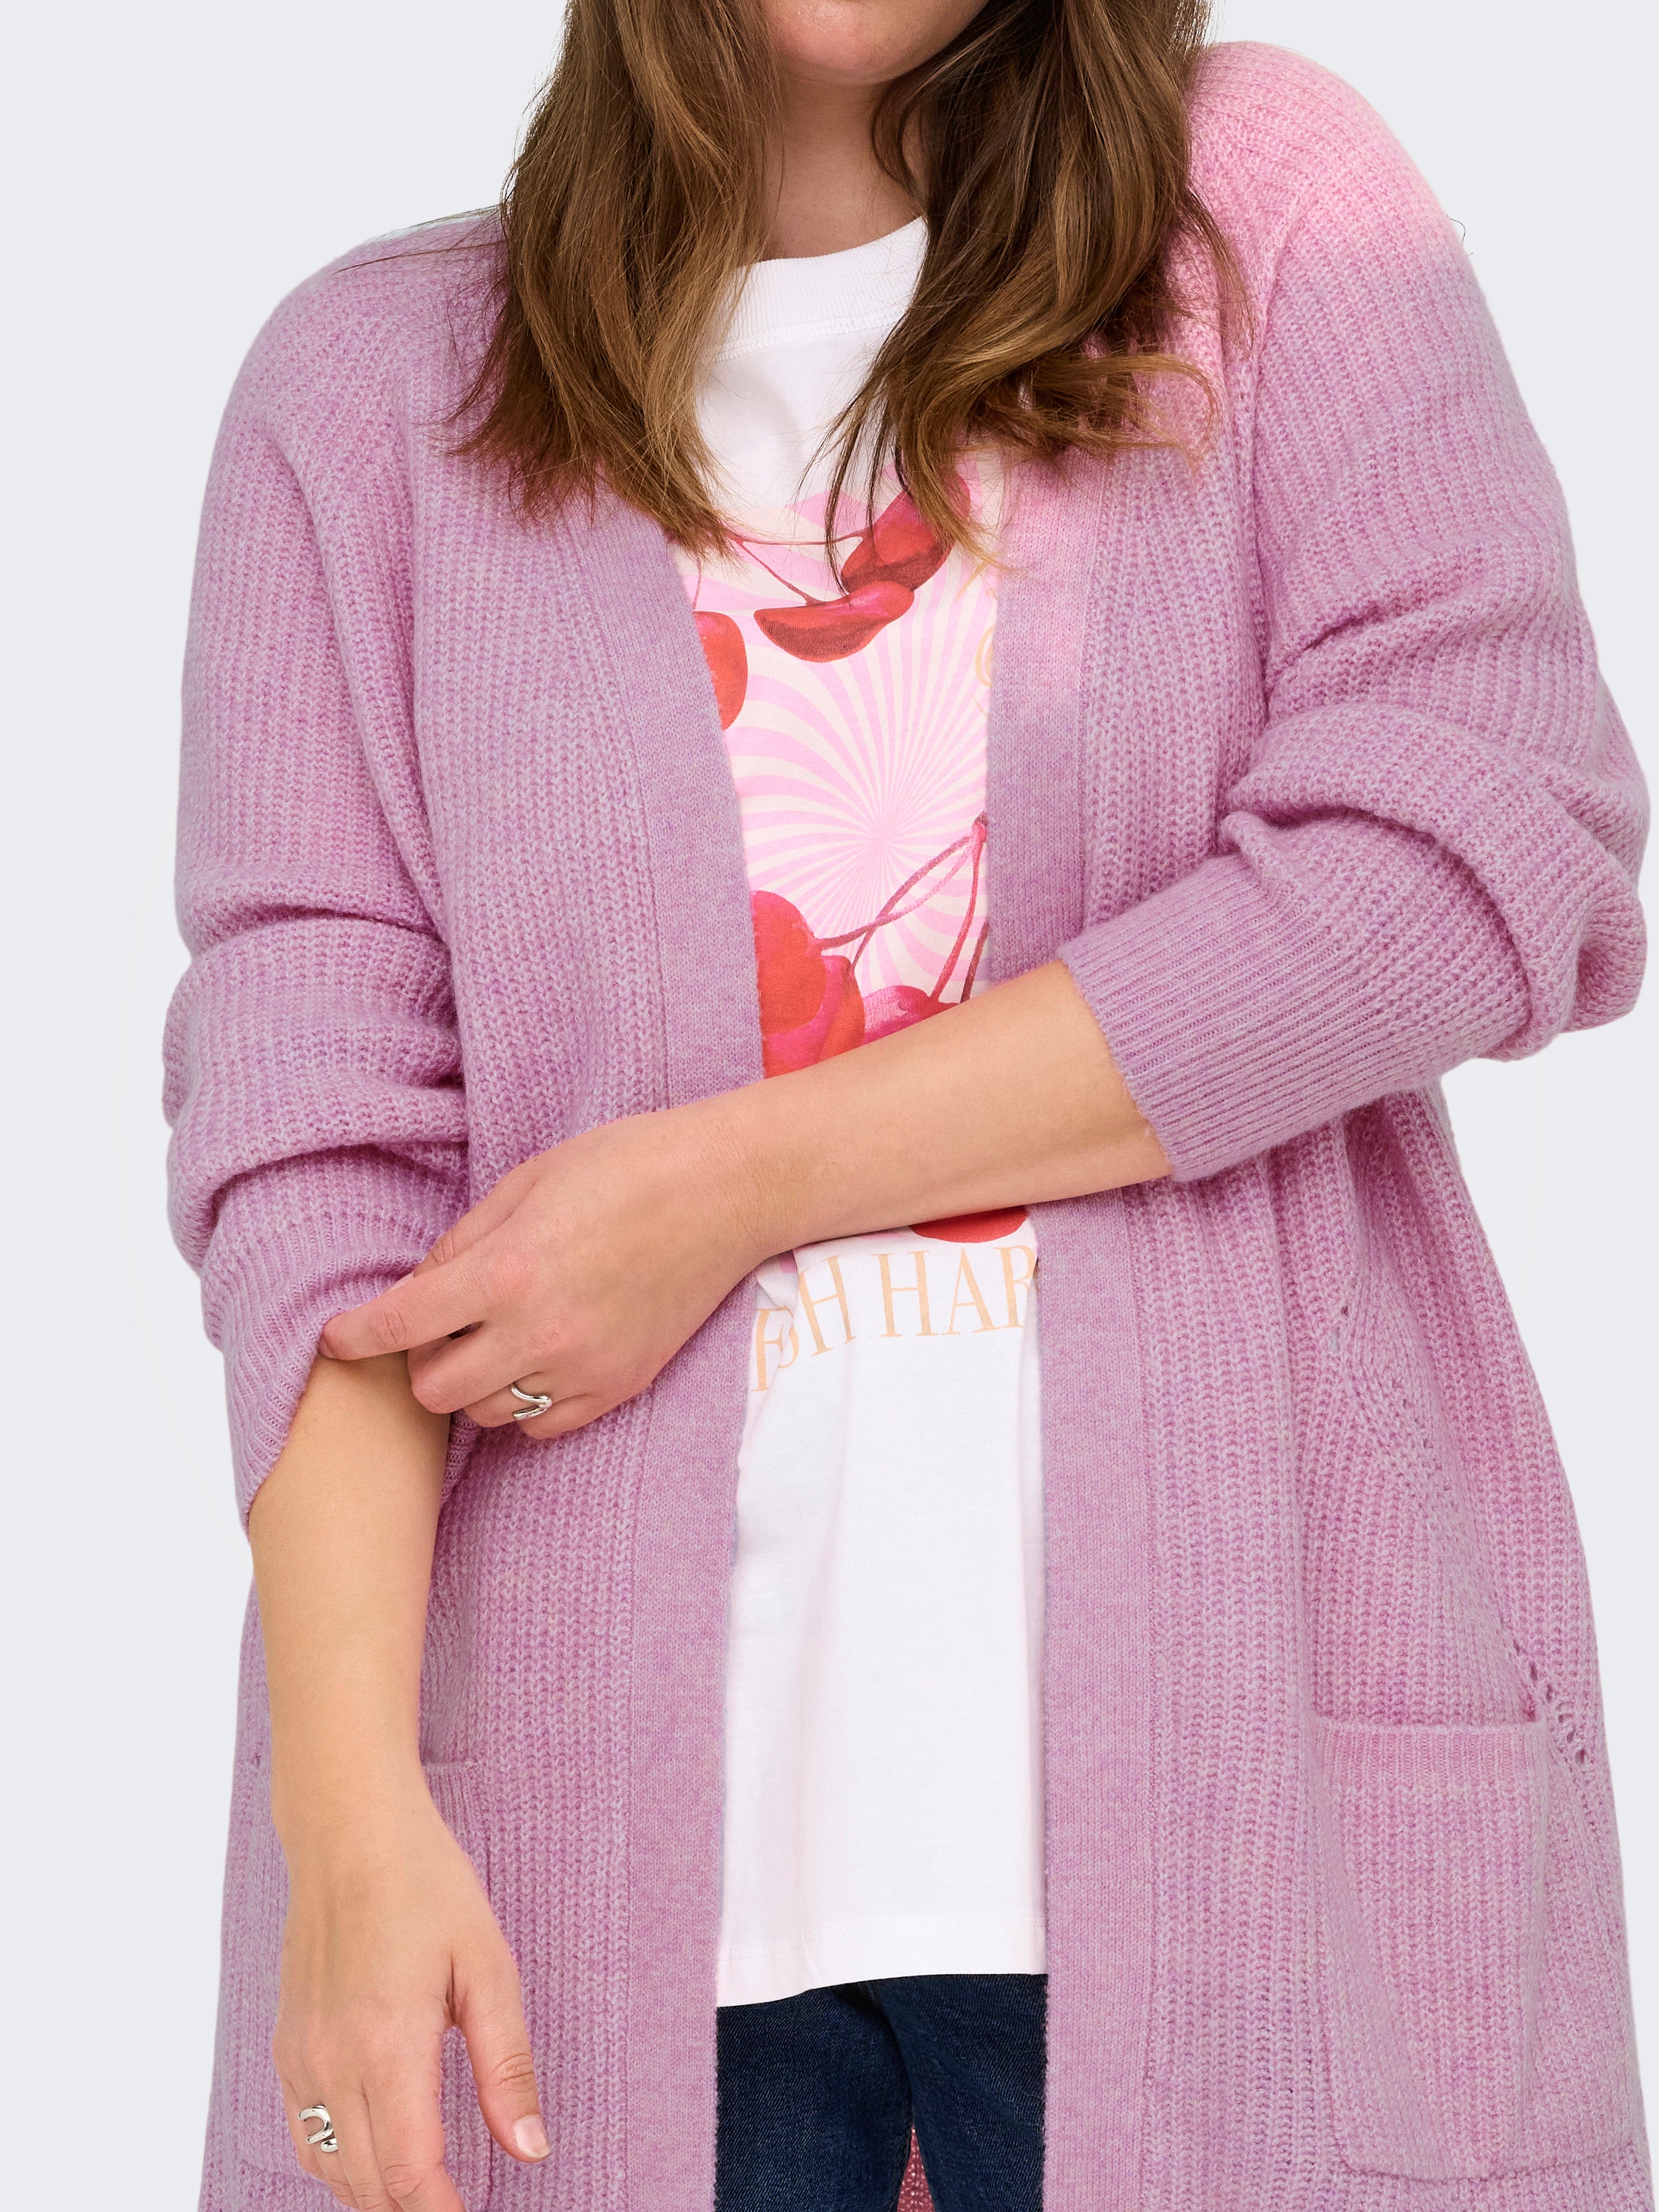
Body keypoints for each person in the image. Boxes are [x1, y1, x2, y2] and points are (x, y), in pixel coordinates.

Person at [166, 1, 1651, 2207]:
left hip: (1238, 1851)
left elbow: (1471, 849)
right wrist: (350, 1827)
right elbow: (316, 1167)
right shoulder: (369, 396)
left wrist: (726, 1187)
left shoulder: (1266, 220)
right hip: (574, 1909)